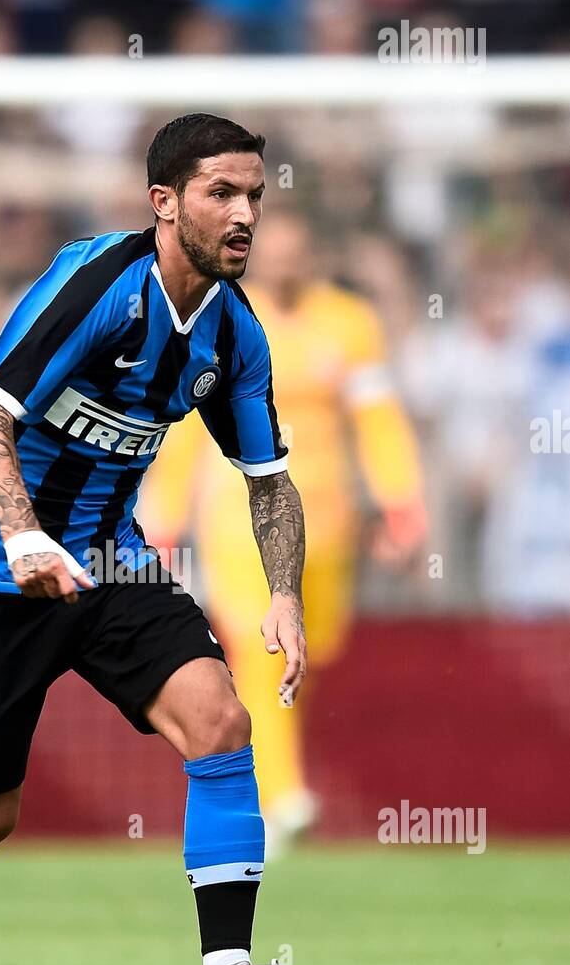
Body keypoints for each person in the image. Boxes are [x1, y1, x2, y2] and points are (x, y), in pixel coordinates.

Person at [0, 113, 306, 965]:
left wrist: (283, 592)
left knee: (220, 722)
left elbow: (268, 480)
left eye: (254, 196)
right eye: (221, 193)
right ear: (164, 203)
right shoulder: (96, 288)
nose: (244, 215)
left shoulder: (235, 335)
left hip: (110, 562)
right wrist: (22, 535)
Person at [141, 211, 425, 850]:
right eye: (278, 252)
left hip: (326, 517)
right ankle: (282, 796)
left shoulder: (350, 324)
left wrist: (401, 503)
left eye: (300, 251)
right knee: (256, 646)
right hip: (241, 512)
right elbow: (188, 424)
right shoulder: (222, 317)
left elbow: (378, 421)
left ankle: (277, 785)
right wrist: (162, 515)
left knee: (312, 651)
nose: (287, 263)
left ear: (314, 255)